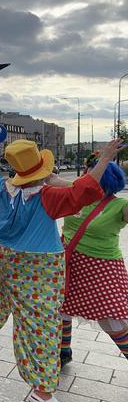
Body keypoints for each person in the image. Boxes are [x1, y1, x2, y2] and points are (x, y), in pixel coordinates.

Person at [0, 135, 123, 402]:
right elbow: (83, 192)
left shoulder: (4, 187)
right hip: (34, 266)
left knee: (0, 289)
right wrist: (105, 159)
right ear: (42, 172)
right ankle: (43, 392)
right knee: (41, 326)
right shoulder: (47, 196)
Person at [59, 152, 128, 366]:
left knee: (112, 318)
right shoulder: (77, 196)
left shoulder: (119, 205)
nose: (86, 177)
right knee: (61, 308)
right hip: (68, 262)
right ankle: (63, 352)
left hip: (102, 268)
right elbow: (50, 180)